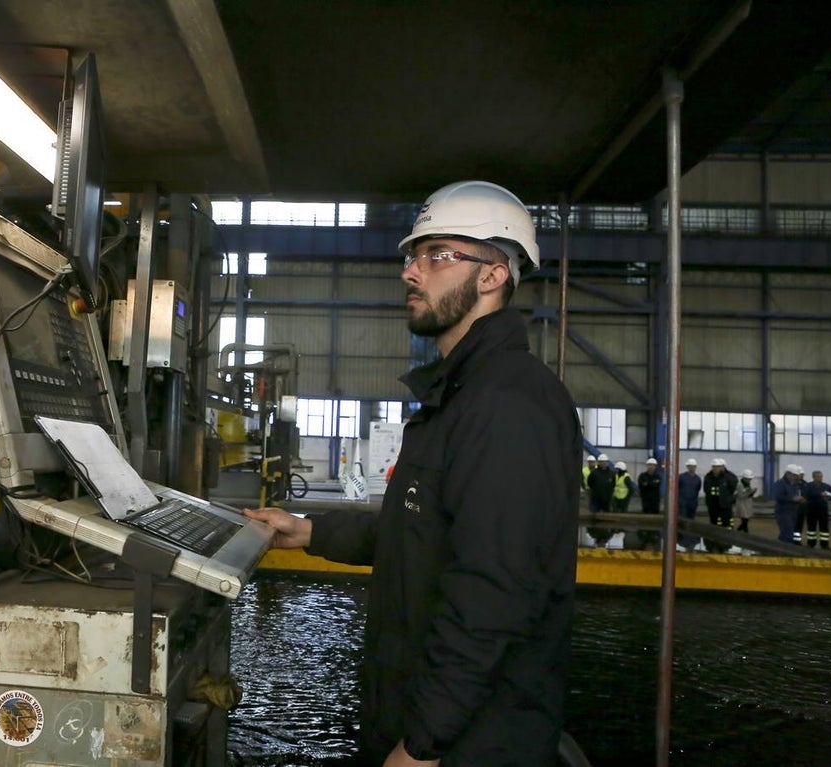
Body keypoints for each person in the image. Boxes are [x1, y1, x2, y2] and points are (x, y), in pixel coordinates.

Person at [245, 180, 581, 765]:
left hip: (470, 745)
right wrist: (310, 532)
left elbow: (493, 592)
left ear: (494, 275)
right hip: (426, 720)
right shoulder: (458, 396)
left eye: (437, 255)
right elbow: (419, 533)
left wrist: (423, 744)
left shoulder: (509, 404)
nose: (411, 271)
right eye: (412, 255)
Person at [773, 464, 806, 544]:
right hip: (783, 512)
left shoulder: (794, 484)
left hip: (793, 512)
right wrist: (792, 499)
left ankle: (780, 548)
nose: (796, 478)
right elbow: (778, 497)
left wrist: (799, 500)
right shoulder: (780, 484)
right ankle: (785, 551)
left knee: (787, 533)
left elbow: (795, 496)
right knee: (788, 533)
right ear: (788, 474)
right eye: (794, 475)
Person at [802, 470, 831, 549]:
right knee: (811, 528)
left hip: (822, 510)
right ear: (813, 477)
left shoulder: (826, 486)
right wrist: (819, 494)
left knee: (824, 528)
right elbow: (805, 494)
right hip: (811, 509)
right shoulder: (808, 486)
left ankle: (824, 545)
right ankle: (811, 544)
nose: (820, 478)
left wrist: (829, 497)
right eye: (818, 476)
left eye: (821, 476)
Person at [702, 458, 737, 528]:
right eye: (714, 467)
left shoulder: (728, 477)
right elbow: (706, 489)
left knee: (726, 522)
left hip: (725, 505)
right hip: (712, 505)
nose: (715, 468)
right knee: (714, 522)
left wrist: (727, 499)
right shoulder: (708, 476)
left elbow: (733, 489)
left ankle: (727, 536)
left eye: (717, 467)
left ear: (721, 467)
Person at [636, 457, 663, 549]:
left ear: (655, 466)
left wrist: (648, 484)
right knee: (645, 518)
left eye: (653, 465)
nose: (651, 467)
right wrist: (651, 484)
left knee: (655, 519)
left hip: (655, 501)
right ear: (647, 466)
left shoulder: (658, 476)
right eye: (649, 465)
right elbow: (642, 485)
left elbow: (655, 484)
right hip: (646, 501)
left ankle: (654, 531)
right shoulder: (642, 476)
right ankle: (646, 530)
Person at [677, 458, 702, 550]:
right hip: (682, 503)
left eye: (694, 467)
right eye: (690, 466)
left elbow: (697, 489)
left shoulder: (698, 479)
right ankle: (681, 539)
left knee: (691, 521)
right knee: (682, 520)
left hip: (692, 503)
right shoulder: (681, 477)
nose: (692, 468)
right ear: (687, 467)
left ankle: (690, 539)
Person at [734, 469, 757, 533]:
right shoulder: (740, 485)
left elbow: (748, 494)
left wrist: (752, 492)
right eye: (748, 479)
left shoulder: (747, 484)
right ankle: (746, 533)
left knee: (746, 520)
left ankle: (738, 531)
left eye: (750, 479)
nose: (749, 480)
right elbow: (741, 495)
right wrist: (750, 492)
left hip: (747, 504)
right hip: (742, 504)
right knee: (744, 520)